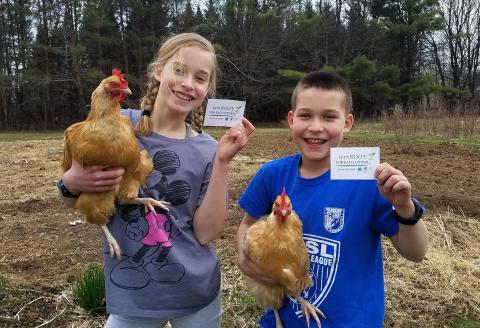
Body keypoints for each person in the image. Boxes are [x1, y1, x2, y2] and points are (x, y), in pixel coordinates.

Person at [59, 32, 255, 328]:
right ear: (159, 70)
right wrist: (71, 182)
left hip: (196, 292)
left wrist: (222, 162)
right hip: (133, 292)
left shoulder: (208, 148)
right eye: (179, 70)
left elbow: (205, 234)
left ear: (207, 89)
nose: (188, 83)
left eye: (200, 78)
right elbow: (69, 197)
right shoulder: (116, 126)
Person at [236, 71, 428, 327]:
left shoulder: (368, 183)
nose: (316, 126)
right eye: (305, 115)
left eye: (329, 116)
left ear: (347, 122)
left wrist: (404, 207)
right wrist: (245, 259)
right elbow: (247, 224)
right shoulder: (272, 174)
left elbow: (416, 253)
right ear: (291, 120)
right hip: (282, 319)